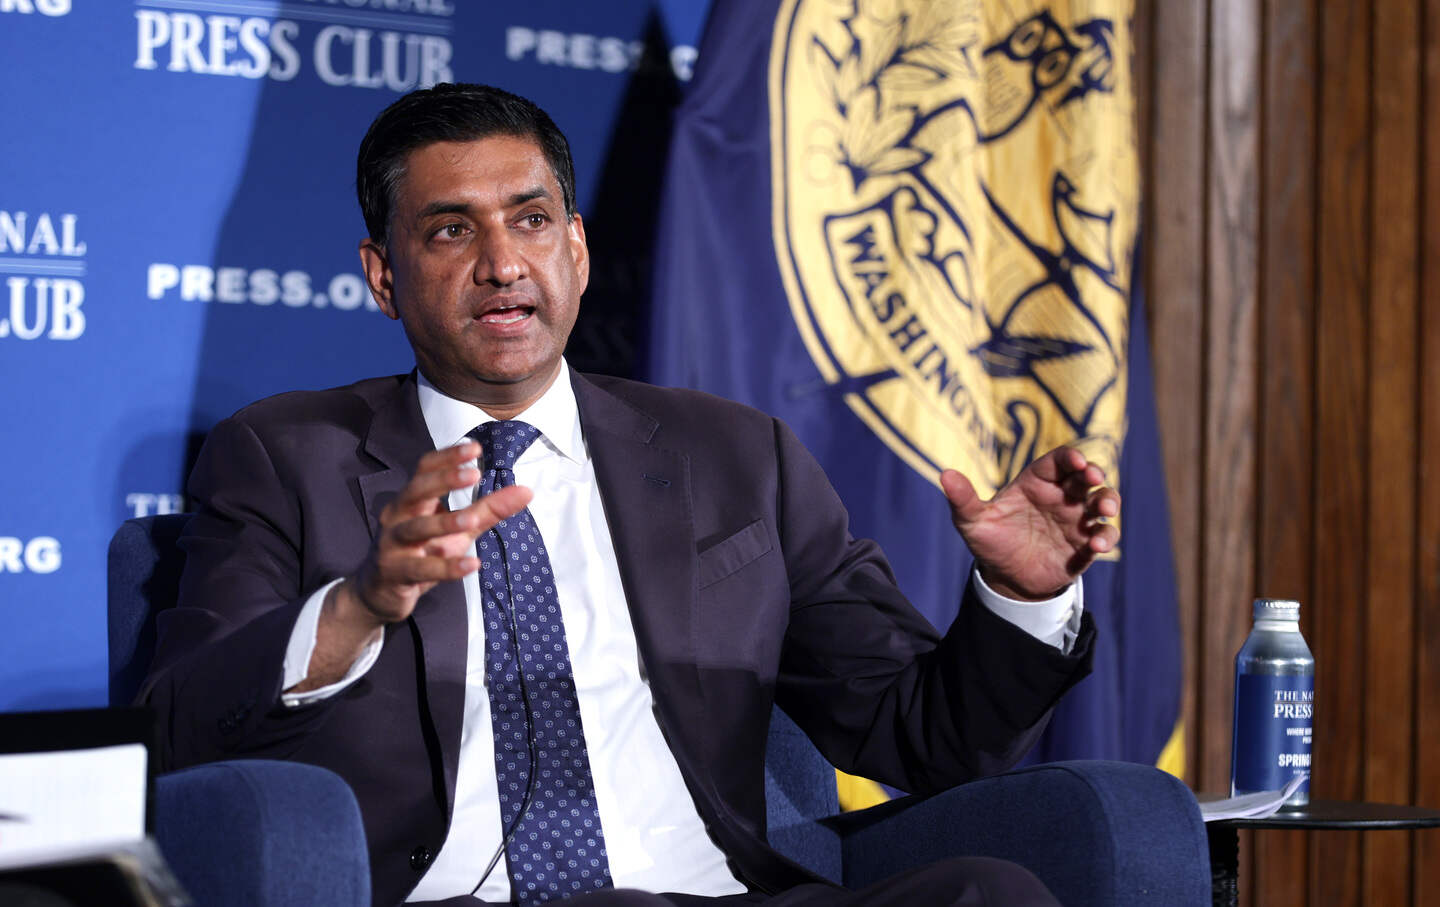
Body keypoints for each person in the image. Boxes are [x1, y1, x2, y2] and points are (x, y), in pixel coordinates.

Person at [142, 83, 1119, 907]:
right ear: (384, 277)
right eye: (450, 230)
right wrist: (360, 606)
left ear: (576, 247)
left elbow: (924, 737)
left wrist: (1023, 599)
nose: (502, 263)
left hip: (722, 887)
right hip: (464, 897)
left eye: (529, 219)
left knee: (988, 891)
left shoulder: (738, 457)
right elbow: (182, 724)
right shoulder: (285, 455)